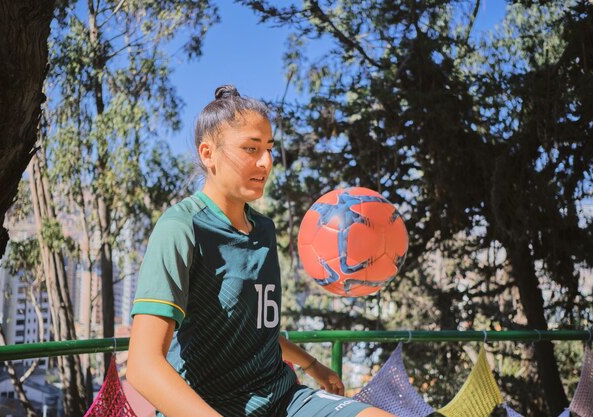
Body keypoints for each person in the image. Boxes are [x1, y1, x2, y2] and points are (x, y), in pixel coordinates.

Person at [127, 85, 394, 417]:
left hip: (282, 398)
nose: (266, 162)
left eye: (268, 148)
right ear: (208, 153)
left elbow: (255, 328)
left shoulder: (264, 230)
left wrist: (313, 365)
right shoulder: (181, 229)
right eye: (250, 149)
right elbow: (142, 365)